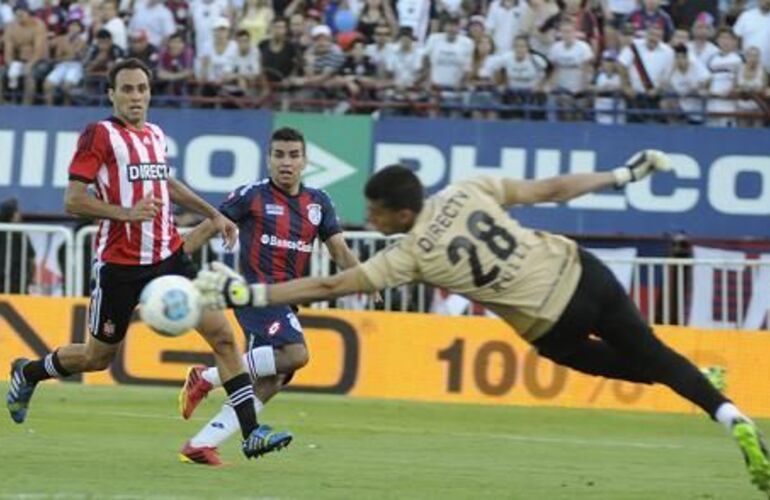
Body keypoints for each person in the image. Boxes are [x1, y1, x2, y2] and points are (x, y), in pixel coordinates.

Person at [194, 152, 770, 495]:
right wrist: (623, 175)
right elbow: (552, 189)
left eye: (373, 212)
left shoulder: (409, 253)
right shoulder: (468, 188)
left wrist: (249, 289)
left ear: (398, 212)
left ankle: (693, 386)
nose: (368, 220)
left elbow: (328, 285)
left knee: (624, 362)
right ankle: (727, 411)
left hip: (551, 322)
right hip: (582, 271)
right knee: (654, 354)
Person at [5, 57, 291, 462]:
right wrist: (127, 213)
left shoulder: (155, 134)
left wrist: (214, 214)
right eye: (127, 89)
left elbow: (165, 183)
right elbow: (73, 199)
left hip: (169, 257)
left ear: (150, 92)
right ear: (112, 94)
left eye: (142, 88)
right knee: (96, 358)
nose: (136, 96)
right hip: (120, 265)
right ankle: (28, 371)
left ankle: (250, 432)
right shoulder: (99, 135)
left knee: (224, 337)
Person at [177, 126, 375, 465]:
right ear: (268, 160)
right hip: (255, 296)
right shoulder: (251, 195)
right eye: (279, 155)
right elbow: (210, 225)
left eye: (293, 155)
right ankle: (209, 378)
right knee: (296, 354)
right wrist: (173, 265)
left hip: (287, 299)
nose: (286, 163)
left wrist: (366, 277)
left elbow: (338, 249)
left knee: (274, 378)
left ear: (305, 161)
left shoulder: (319, 202)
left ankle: (201, 442)